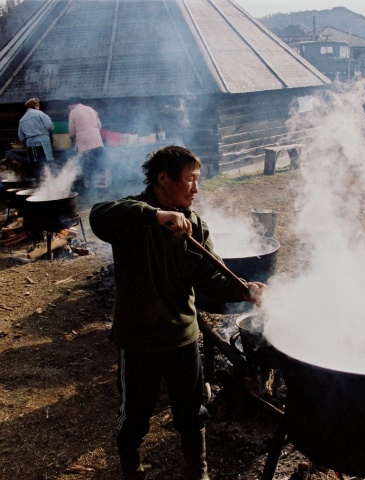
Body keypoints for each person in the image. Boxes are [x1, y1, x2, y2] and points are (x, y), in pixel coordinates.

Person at [89, 146, 266, 480]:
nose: (196, 189)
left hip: (183, 337)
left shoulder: (196, 226)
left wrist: (246, 291)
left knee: (192, 412)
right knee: (135, 418)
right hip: (140, 339)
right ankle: (134, 474)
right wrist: (156, 216)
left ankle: (198, 474)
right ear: (163, 180)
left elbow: (211, 279)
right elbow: (98, 215)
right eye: (190, 180)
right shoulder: (132, 218)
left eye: (198, 180)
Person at [67, 96, 104, 200]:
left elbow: (72, 132)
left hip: (84, 144)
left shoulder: (73, 112)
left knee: (82, 167)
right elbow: (99, 126)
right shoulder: (92, 110)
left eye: (69, 107)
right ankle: (92, 192)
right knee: (93, 168)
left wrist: (71, 138)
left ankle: (83, 192)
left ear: (71, 105)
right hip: (97, 142)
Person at [18, 97, 54, 183]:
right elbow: (50, 125)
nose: (38, 107)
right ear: (36, 105)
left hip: (30, 144)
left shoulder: (22, 119)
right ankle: (48, 182)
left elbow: (21, 136)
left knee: (35, 165)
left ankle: (37, 183)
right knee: (46, 164)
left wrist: (26, 142)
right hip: (43, 142)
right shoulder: (39, 113)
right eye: (38, 105)